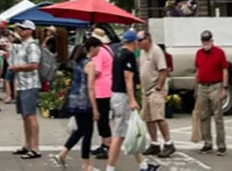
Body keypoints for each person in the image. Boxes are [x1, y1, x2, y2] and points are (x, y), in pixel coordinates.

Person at [106, 30, 159, 171]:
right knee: (119, 135)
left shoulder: (117, 54)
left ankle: (143, 165)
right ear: (133, 42)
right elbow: (128, 78)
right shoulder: (128, 55)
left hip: (115, 95)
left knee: (130, 131)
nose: (138, 44)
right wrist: (132, 99)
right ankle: (110, 168)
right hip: (123, 97)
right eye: (137, 41)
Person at [54, 38, 101, 171]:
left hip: (74, 100)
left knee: (81, 130)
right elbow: (90, 88)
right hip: (85, 102)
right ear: (92, 48)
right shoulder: (90, 64)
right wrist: (95, 108)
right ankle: (86, 165)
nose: (99, 50)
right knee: (88, 133)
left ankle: (63, 153)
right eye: (98, 47)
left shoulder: (79, 62)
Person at [137, 30, 174, 157]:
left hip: (155, 88)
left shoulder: (156, 51)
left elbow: (163, 70)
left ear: (148, 39)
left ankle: (169, 143)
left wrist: (158, 87)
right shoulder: (142, 52)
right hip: (146, 89)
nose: (139, 43)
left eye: (140, 40)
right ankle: (154, 144)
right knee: (148, 117)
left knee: (158, 117)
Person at [9, 20, 42, 159]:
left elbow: (34, 65)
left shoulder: (32, 46)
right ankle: (28, 144)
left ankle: (35, 147)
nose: (20, 31)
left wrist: (17, 68)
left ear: (30, 31)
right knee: (24, 116)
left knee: (31, 115)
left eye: (23, 29)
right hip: (22, 84)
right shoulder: (22, 44)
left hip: (30, 84)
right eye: (19, 28)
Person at [193, 29, 228, 155]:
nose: (205, 43)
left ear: (212, 41)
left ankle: (221, 145)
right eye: (204, 40)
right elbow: (197, 71)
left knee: (218, 116)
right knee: (203, 116)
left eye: (208, 40)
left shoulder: (219, 53)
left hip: (215, 85)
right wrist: (196, 88)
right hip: (202, 86)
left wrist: (224, 88)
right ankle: (207, 143)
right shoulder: (199, 53)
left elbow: (224, 70)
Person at [90, 28, 114, 159]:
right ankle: (104, 144)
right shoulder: (108, 49)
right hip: (107, 87)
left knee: (102, 118)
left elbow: (97, 70)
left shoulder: (99, 52)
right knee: (103, 118)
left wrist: (86, 73)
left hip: (101, 89)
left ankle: (107, 145)